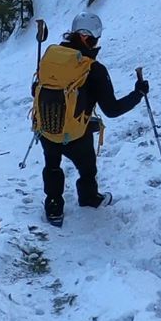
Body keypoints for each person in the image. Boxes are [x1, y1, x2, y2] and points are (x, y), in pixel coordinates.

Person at [31, 11, 147, 226]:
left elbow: (34, 89)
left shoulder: (52, 57)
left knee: (52, 165)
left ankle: (54, 205)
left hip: (47, 127)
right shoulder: (94, 69)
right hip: (76, 134)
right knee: (87, 168)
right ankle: (89, 197)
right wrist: (138, 94)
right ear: (89, 38)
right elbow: (111, 109)